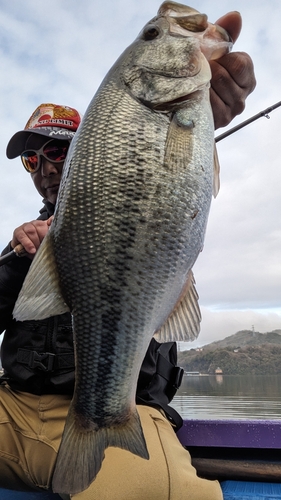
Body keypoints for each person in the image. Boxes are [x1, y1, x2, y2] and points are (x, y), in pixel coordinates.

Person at [0, 11, 256, 500]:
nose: (46, 168)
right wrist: (17, 257)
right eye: (33, 159)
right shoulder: (25, 244)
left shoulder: (144, 132)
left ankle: (105, 431)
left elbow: (175, 173)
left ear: (86, 148)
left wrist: (202, 111)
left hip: (127, 411)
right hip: (14, 411)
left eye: (58, 152)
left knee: (168, 494)